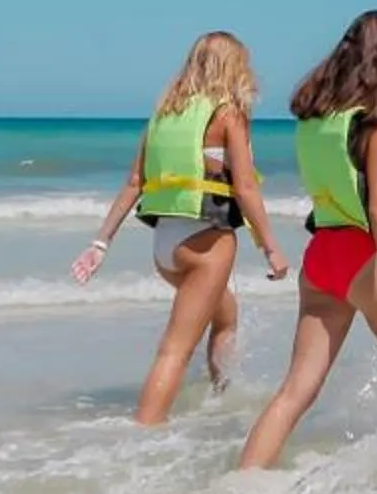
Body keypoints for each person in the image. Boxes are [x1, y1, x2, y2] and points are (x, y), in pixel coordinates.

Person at [236, 10, 377, 470]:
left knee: (294, 391)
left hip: (323, 257)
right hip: (369, 259)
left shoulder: (317, 117)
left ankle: (240, 486)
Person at [71, 30, 290, 424]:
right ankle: (145, 431)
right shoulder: (228, 114)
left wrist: (100, 244)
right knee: (175, 350)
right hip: (206, 244)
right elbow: (244, 186)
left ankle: (220, 397)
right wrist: (269, 246)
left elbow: (134, 184)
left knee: (226, 313)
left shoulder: (164, 114)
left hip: (166, 249)